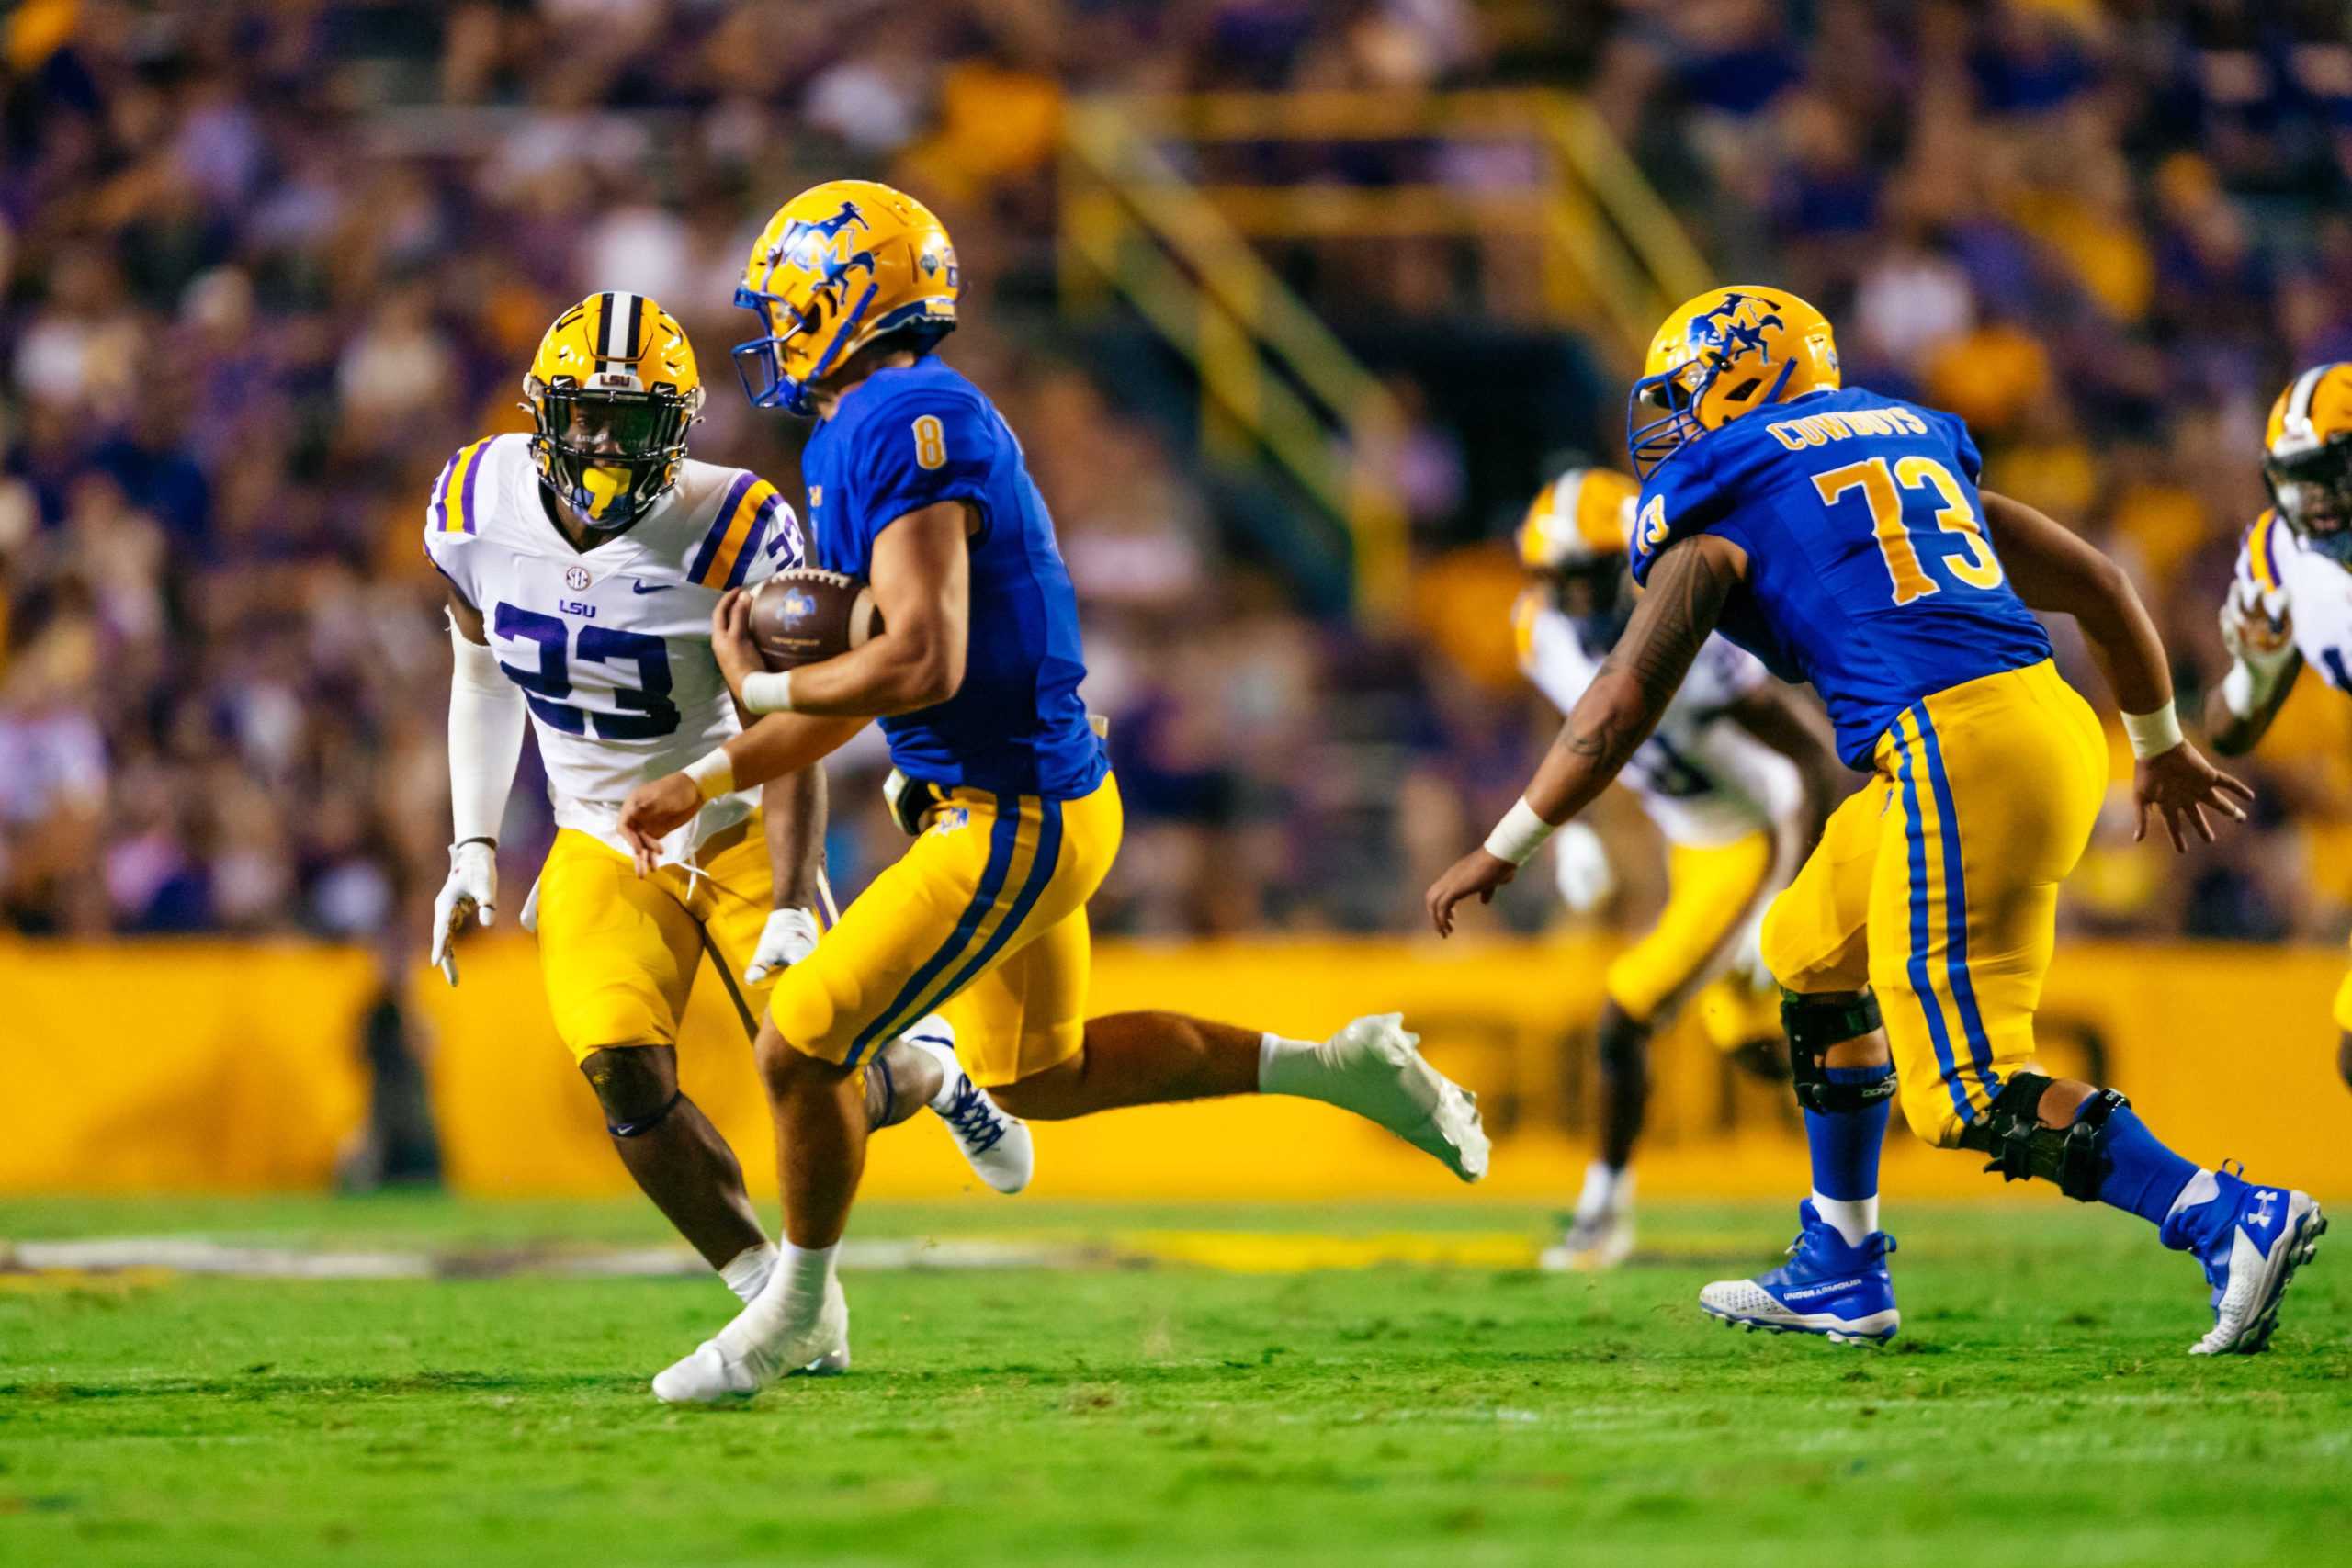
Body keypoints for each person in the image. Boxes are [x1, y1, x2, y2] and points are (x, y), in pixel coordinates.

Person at [616, 181, 1487, 1402]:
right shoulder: (880, 419)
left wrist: (758, 695)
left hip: (1010, 814)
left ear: (843, 296)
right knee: (1039, 1072)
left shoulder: (901, 416)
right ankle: (1337, 1065)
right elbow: (871, 690)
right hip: (1021, 797)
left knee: (799, 1044)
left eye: (786, 299)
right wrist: (709, 771)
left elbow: (920, 658)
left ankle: (795, 1310)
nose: (769, 322)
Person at [1427, 286, 2324, 1353]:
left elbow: (1619, 703)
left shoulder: (1726, 487)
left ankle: (2224, 1215)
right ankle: (1840, 1265)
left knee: (1964, 1095)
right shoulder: (1907, 442)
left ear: (1742, 371)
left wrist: (1503, 845)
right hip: (2026, 722)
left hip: (1949, 743)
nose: (1670, 417)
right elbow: (2094, 584)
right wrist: (2156, 739)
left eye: (1683, 390)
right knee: (1803, 950)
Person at [424, 292, 1028, 1315]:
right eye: (587, 415)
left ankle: (934, 1072)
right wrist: (472, 844)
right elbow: (480, 669)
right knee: (617, 1065)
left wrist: (794, 898)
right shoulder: (472, 500)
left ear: (681, 427)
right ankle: (768, 1291)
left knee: (834, 1073)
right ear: (545, 411)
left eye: (636, 420)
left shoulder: (737, 521)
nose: (607, 442)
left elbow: (787, 719)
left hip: (732, 816)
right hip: (597, 834)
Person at [1509, 465, 1844, 1269]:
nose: (1577, 601)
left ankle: (1603, 1214)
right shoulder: (1536, 628)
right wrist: (1571, 830)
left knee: (1624, 1013)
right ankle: (1898, 1088)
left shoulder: (1702, 639)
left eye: (1589, 576)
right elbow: (1569, 723)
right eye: (1560, 580)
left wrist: (1794, 893)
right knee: (1756, 1046)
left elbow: (1809, 762)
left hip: (1757, 839)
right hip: (1690, 846)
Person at [2203, 363, 2352, 1091]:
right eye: (2297, 477)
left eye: (2331, 472)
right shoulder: (2280, 551)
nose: (2314, 499)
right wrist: (2255, 673)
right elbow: (2227, 731)